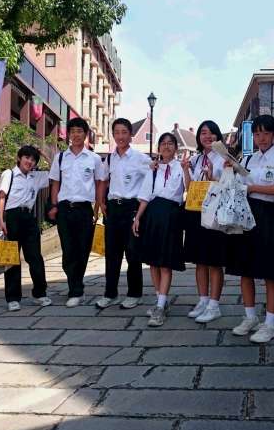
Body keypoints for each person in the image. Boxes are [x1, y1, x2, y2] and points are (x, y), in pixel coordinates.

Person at [226, 114, 274, 343]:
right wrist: (230, 171)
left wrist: (254, 188)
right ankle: (250, 317)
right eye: (257, 134)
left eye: (266, 133)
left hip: (267, 215)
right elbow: (239, 185)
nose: (261, 138)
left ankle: (271, 324)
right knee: (245, 269)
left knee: (270, 271)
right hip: (247, 214)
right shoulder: (248, 160)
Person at [48, 117, 105, 307]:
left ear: (85, 134)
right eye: (72, 131)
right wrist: (54, 205)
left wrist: (97, 209)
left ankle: (76, 289)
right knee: (68, 251)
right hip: (65, 209)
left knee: (82, 250)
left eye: (79, 131)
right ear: (69, 134)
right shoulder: (60, 157)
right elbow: (55, 183)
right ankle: (76, 287)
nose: (76, 134)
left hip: (84, 210)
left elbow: (99, 184)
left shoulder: (94, 158)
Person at [96, 118, 151, 309]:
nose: (120, 136)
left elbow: (153, 176)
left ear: (131, 135)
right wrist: (101, 202)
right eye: (117, 132)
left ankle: (134, 294)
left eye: (124, 132)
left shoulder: (140, 158)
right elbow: (103, 180)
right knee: (112, 253)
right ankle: (110, 293)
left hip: (131, 208)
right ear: (113, 135)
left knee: (133, 253)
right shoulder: (110, 158)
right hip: (113, 208)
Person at [132, 132, 185, 327]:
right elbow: (145, 195)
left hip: (171, 215)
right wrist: (138, 217)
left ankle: (161, 307)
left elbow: (189, 189)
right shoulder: (153, 169)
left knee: (165, 262)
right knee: (153, 262)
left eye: (170, 143)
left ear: (176, 148)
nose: (166, 146)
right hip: (152, 216)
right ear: (158, 148)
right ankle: (160, 301)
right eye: (163, 143)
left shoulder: (181, 167)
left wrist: (187, 171)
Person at [182, 120, 227, 323]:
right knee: (200, 260)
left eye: (211, 133)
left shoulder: (224, 158)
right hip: (196, 212)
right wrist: (185, 170)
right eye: (203, 133)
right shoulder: (197, 159)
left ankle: (214, 305)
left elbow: (230, 185)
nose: (207, 137)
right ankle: (203, 300)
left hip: (215, 213)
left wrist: (212, 178)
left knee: (214, 261)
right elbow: (190, 187)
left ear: (217, 136)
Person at [0, 145, 52, 312]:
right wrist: (1, 220)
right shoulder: (9, 174)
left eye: (33, 159)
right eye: (27, 157)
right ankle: (13, 298)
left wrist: (43, 153)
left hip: (28, 218)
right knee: (12, 259)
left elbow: (56, 171)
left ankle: (39, 294)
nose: (29, 161)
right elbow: (2, 197)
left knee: (35, 257)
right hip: (11, 217)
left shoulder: (36, 177)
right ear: (19, 158)